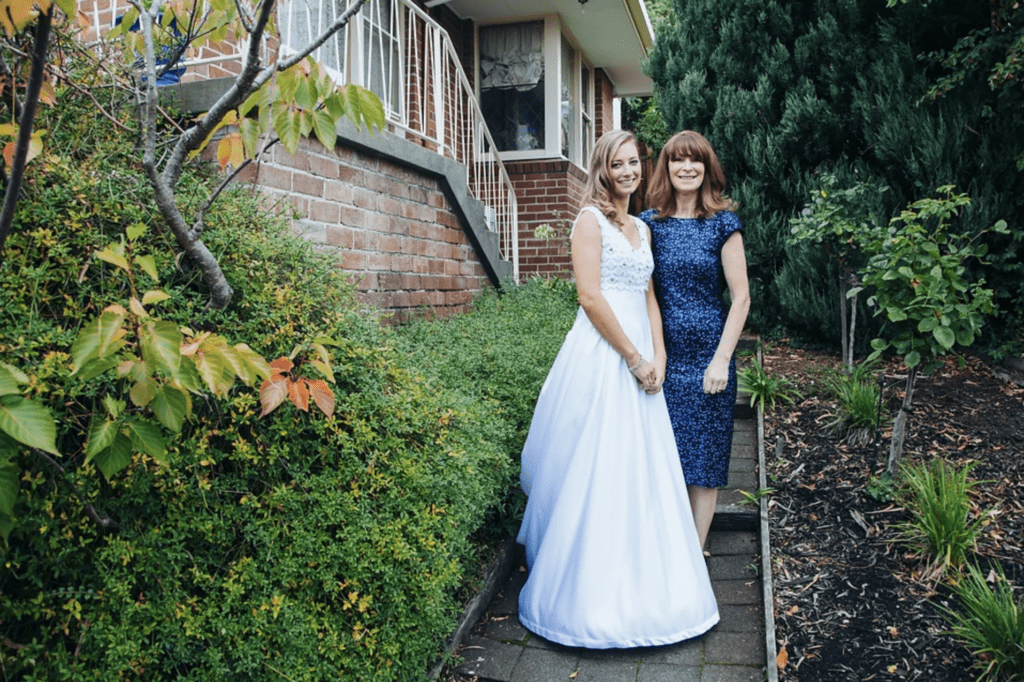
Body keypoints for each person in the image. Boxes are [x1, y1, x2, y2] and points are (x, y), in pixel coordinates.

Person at [516, 130, 719, 649]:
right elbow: (588, 296)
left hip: (646, 361)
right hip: (604, 356)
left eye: (634, 162)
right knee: (599, 463)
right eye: (618, 164)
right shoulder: (590, 222)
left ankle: (650, 577)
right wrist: (631, 357)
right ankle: (588, 591)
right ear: (601, 169)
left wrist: (660, 356)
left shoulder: (640, 228)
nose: (628, 171)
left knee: (644, 468)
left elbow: (650, 297)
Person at [640, 130, 751, 550]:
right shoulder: (649, 224)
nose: (686, 167)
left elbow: (741, 299)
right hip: (663, 357)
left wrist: (722, 359)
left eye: (695, 160)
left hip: (709, 356)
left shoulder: (724, 223)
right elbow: (641, 291)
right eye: (677, 160)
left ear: (707, 168)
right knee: (662, 456)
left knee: (704, 460)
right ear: (666, 168)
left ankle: (694, 553)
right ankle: (665, 548)